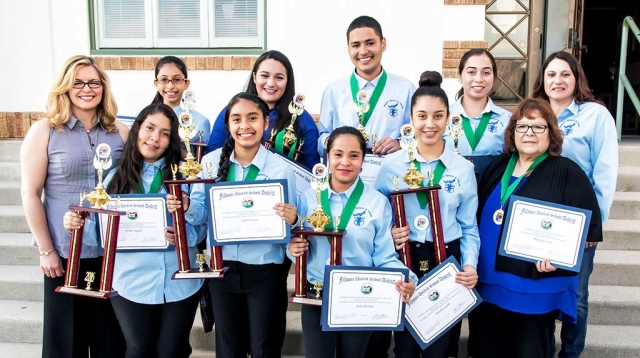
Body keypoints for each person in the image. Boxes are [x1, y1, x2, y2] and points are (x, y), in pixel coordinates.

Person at [62, 103, 204, 358]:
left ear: (172, 140)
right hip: (130, 280)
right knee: (138, 350)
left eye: (164, 133)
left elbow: (202, 228)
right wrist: (77, 223)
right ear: (137, 129)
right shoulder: (115, 177)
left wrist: (181, 236)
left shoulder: (186, 177)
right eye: (150, 128)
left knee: (172, 351)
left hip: (178, 278)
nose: (154, 138)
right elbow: (99, 236)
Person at [467, 98, 603, 358]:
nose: (529, 133)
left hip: (534, 290)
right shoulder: (498, 165)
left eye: (538, 127)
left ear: (551, 134)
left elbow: (587, 234)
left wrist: (560, 260)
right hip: (488, 284)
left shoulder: (567, 172)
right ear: (512, 132)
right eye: (522, 126)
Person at [20, 55, 127, 357]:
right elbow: (30, 193)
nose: (87, 89)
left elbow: (133, 187)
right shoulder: (46, 131)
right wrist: (46, 250)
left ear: (103, 87)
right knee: (66, 345)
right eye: (78, 83)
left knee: (111, 342)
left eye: (94, 82)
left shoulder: (119, 132)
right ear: (65, 88)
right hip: (65, 255)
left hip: (109, 255)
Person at [374, 71, 480, 358]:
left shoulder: (463, 169)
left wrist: (469, 265)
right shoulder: (392, 166)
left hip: (447, 261)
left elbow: (469, 226)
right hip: (405, 259)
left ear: (448, 118)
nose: (429, 124)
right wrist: (390, 233)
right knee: (405, 347)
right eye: (422, 116)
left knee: (442, 348)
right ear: (410, 118)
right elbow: (378, 217)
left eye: (437, 116)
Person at [288, 126, 418, 358]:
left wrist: (407, 278)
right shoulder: (308, 198)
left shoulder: (377, 203)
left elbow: (384, 257)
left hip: (359, 296)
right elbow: (298, 244)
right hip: (316, 293)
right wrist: (293, 249)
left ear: (363, 160)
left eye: (354, 155)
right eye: (338, 154)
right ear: (327, 157)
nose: (345, 162)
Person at [188, 92, 298, 357]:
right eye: (236, 119)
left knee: (264, 348)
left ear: (266, 123)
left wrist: (293, 220)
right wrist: (185, 205)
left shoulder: (281, 169)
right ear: (228, 126)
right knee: (228, 349)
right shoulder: (210, 163)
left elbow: (291, 225)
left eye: (252, 118)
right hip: (222, 271)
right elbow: (200, 216)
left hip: (266, 272)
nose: (244, 126)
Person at [532, 51, 618, 358]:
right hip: (537, 219)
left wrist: (595, 224)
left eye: (565, 74)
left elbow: (605, 175)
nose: (558, 81)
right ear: (543, 79)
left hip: (577, 221)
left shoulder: (595, 116)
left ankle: (570, 353)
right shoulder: (533, 114)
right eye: (551, 74)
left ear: (576, 78)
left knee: (576, 294)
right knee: (540, 290)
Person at [318, 15, 415, 158]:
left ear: (383, 44)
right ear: (348, 48)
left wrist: (401, 143)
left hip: (391, 176)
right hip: (347, 175)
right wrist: (333, 143)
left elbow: (419, 135)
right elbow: (321, 139)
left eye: (370, 43)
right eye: (356, 45)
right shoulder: (334, 91)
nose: (363, 51)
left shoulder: (405, 89)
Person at [206, 50, 320, 170]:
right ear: (254, 77)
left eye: (279, 78)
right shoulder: (230, 112)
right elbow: (212, 159)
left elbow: (310, 171)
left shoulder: (302, 120)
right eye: (264, 76)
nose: (271, 83)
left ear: (288, 80)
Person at [445, 49, 511, 180]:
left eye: (486, 73)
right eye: (471, 72)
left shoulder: (508, 119)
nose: (479, 79)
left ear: (494, 77)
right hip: (451, 191)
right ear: (460, 76)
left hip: (492, 191)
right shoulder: (443, 116)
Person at [152, 56, 211, 150]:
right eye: (164, 80)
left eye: (177, 80)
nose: (170, 86)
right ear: (156, 84)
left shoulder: (199, 121)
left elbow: (202, 159)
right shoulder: (146, 117)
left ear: (186, 84)